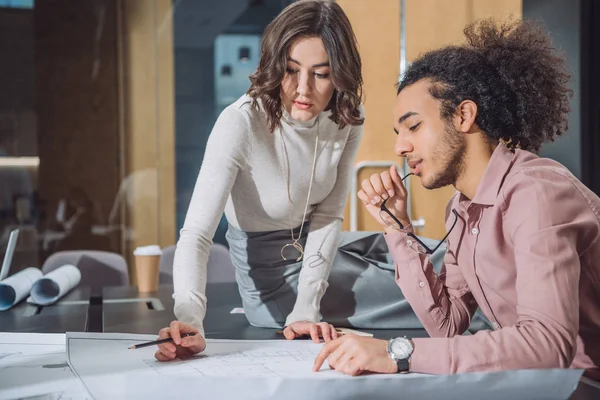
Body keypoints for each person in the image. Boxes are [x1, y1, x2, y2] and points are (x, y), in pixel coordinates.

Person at [154, 0, 444, 362]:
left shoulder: (346, 115)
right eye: (291, 70)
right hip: (273, 280)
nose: (303, 89)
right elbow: (196, 234)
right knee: (434, 287)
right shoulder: (240, 123)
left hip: (319, 251)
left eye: (321, 74)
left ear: (339, 74)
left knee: (442, 256)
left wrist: (309, 305)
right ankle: (516, 327)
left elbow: (328, 216)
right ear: (275, 66)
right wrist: (189, 317)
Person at [313, 18, 600, 380]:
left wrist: (395, 352)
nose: (401, 147)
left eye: (413, 126)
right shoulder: (461, 209)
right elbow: (447, 325)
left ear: (464, 115)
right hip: (544, 383)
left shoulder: (536, 194)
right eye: (399, 133)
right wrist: (397, 228)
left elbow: (547, 345)